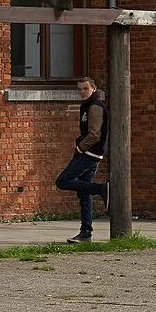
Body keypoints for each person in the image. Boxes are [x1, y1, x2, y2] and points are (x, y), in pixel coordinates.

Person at [53, 75, 108, 242]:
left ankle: (101, 189)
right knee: (84, 192)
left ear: (94, 88)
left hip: (89, 154)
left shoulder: (95, 106)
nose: (82, 92)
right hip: (89, 153)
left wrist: (79, 148)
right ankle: (86, 233)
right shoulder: (86, 106)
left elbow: (94, 135)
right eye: (80, 89)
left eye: (86, 88)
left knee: (62, 181)